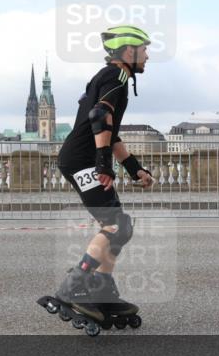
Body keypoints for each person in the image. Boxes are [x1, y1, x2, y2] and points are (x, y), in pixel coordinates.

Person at [46, 25, 155, 329]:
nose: (148, 55)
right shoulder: (115, 77)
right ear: (129, 52)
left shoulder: (111, 77)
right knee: (113, 224)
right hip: (82, 161)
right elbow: (99, 118)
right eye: (144, 49)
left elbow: (111, 131)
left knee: (122, 227)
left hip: (83, 159)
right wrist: (103, 165)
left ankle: (102, 287)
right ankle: (75, 284)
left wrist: (135, 169)